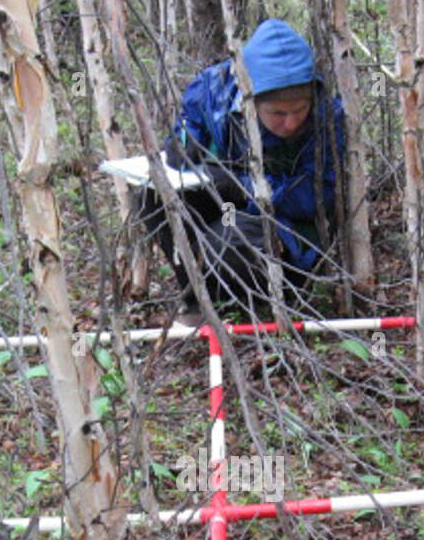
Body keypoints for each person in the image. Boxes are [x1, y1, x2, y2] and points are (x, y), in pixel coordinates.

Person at [140, 19, 346, 319]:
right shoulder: (213, 89)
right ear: (251, 99)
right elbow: (185, 131)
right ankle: (198, 297)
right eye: (277, 113)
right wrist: (182, 145)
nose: (290, 123)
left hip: (284, 226)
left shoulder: (328, 116)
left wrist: (243, 187)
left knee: (227, 240)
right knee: (152, 196)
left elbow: (317, 194)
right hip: (224, 206)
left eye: (299, 110)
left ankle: (262, 303)